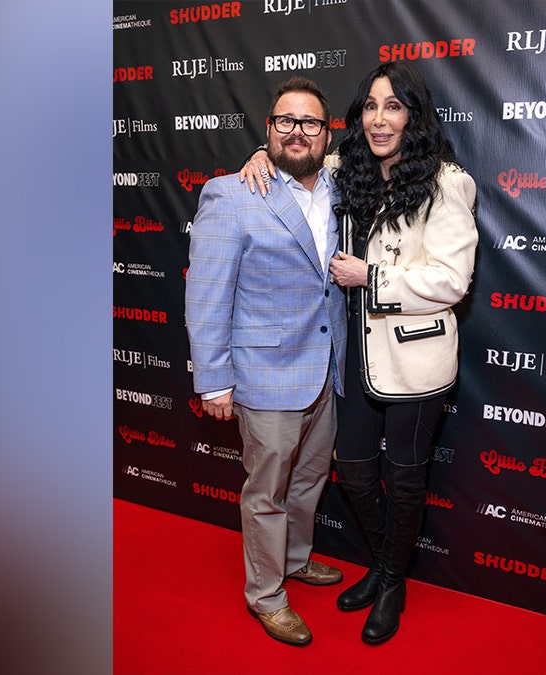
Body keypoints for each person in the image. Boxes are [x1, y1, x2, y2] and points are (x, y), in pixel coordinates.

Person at [239, 61, 478, 645]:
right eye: (370, 106)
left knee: (403, 483)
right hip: (355, 360)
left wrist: (371, 275)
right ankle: (384, 563)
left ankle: (392, 581)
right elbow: (298, 147)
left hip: (417, 363)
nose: (378, 119)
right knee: (357, 474)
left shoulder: (448, 183)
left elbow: (452, 280)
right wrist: (260, 156)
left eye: (392, 106)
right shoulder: (351, 169)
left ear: (413, 115)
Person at [185, 76, 348, 647]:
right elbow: (206, 293)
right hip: (264, 374)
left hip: (326, 369)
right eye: (285, 121)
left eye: (310, 122)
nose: (297, 131)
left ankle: (297, 558)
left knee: (307, 482)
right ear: (268, 128)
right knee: (268, 492)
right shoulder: (232, 194)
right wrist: (213, 381)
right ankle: (267, 594)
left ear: (327, 133)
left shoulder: (340, 183)